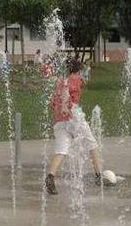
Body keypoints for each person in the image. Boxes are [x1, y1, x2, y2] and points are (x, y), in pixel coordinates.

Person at [45, 58, 115, 195]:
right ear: (79, 71)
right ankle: (98, 176)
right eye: (82, 72)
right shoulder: (75, 80)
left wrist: (61, 106)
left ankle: (50, 176)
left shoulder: (60, 82)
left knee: (62, 150)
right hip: (74, 116)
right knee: (92, 144)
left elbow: (52, 103)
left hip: (59, 120)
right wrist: (65, 105)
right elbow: (67, 92)